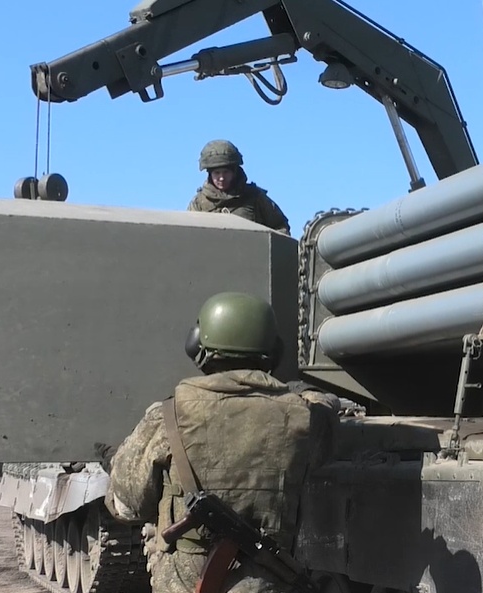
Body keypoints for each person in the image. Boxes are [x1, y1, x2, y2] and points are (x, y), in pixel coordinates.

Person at [103, 291, 339, 593]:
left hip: (184, 585)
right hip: (269, 582)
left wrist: (117, 463)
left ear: (197, 346)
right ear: (275, 351)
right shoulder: (306, 416)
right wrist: (299, 393)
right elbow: (326, 413)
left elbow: (128, 507)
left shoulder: (167, 416)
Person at [188, 140, 291, 235]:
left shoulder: (255, 197)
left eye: (226, 172)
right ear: (210, 174)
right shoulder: (199, 203)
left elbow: (281, 228)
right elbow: (189, 234)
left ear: (234, 172)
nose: (222, 178)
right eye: (217, 173)